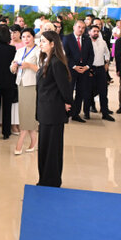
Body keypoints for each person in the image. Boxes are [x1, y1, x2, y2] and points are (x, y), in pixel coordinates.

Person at [35, 31, 73, 188]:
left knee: (52, 149)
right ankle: (45, 178)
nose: (41, 43)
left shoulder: (57, 63)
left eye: (44, 41)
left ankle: (51, 180)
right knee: (44, 147)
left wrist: (68, 103)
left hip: (53, 111)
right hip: (45, 110)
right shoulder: (46, 60)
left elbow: (65, 88)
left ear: (52, 44)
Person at [11, 28, 39, 155]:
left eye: (28, 36)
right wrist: (13, 66)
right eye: (24, 37)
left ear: (33, 37)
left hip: (32, 84)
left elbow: (42, 69)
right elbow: (13, 67)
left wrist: (29, 66)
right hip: (20, 83)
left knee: (29, 112)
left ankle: (21, 140)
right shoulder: (20, 50)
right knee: (24, 111)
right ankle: (34, 140)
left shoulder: (38, 51)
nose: (26, 39)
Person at [62, 21, 93, 123]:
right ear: (74, 27)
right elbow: (66, 55)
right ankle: (66, 114)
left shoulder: (87, 39)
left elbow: (91, 55)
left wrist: (87, 66)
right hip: (71, 70)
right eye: (79, 27)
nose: (81, 29)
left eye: (83, 28)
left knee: (81, 92)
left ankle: (76, 114)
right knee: (69, 91)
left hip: (84, 70)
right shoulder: (67, 38)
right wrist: (74, 66)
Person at [87, 24, 115, 121]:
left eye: (97, 31)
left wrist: (107, 63)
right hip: (90, 69)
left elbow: (107, 53)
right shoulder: (86, 42)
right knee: (89, 91)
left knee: (103, 92)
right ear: (89, 32)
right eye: (94, 31)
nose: (96, 33)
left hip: (101, 69)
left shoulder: (102, 42)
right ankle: (87, 112)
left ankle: (105, 113)